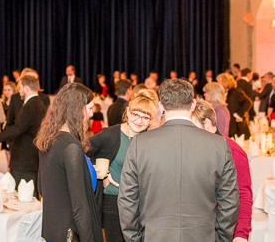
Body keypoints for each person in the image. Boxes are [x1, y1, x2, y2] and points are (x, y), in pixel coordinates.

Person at [118, 79, 239, 242]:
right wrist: (221, 238)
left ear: (160, 106)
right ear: (193, 104)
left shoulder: (140, 144)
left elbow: (127, 199)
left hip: (154, 237)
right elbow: (229, 201)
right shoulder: (218, 145)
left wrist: (135, 239)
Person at [36, 83, 103, 242]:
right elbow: (80, 208)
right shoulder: (71, 147)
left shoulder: (48, 139)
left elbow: (42, 187)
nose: (92, 114)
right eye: (90, 108)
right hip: (71, 233)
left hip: (54, 230)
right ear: (77, 110)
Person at [87, 90, 157, 242]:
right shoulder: (110, 134)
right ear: (128, 112)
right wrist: (98, 171)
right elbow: (79, 151)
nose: (139, 121)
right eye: (135, 115)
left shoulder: (150, 140)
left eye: (145, 117)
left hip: (142, 206)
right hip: (114, 203)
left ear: (151, 120)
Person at [191, 100, 252, 242]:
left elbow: (243, 195)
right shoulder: (194, 148)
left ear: (206, 123)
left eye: (192, 127)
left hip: (220, 231)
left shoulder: (233, 151)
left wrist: (241, 234)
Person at [0, 76, 46, 196]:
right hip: (31, 158)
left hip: (24, 160)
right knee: (29, 196)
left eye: (20, 88)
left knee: (25, 197)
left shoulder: (30, 106)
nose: (19, 91)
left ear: (26, 88)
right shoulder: (39, 104)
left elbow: (17, 129)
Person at [217, 73, 252, 139]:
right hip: (232, 124)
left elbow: (248, 103)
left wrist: (239, 114)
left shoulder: (236, 92)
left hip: (238, 125)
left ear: (224, 82)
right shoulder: (225, 93)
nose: (218, 84)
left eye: (219, 82)